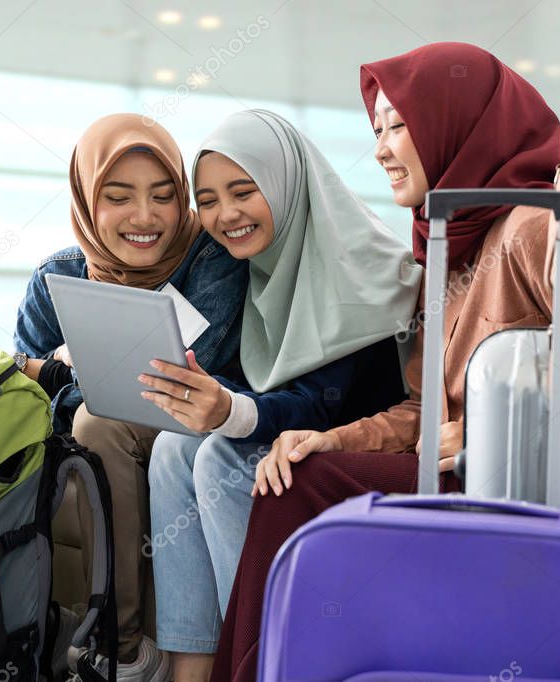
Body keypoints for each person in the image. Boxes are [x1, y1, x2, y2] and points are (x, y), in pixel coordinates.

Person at [208, 42, 560, 682]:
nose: (381, 147)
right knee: (299, 468)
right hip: (459, 472)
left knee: (300, 490)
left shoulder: (534, 229)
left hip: (513, 480)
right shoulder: (446, 247)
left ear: (460, 122)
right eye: (378, 129)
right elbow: (425, 408)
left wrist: (496, 433)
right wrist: (331, 438)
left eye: (400, 124)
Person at [144, 109, 423, 682]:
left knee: (222, 453)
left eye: (244, 191)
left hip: (362, 451)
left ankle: (254, 660)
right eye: (210, 200)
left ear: (286, 184)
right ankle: (193, 668)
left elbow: (323, 403)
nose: (226, 215)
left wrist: (230, 411)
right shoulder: (257, 269)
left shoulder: (360, 268)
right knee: (175, 448)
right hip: (297, 442)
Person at [13, 113, 248, 681]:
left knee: (99, 422)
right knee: (87, 422)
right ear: (87, 201)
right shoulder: (58, 277)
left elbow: (184, 382)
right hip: (118, 432)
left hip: (211, 426)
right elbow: (22, 390)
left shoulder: (210, 259)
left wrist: (66, 370)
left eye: (164, 196)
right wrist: (61, 381)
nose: (145, 218)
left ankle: (123, 649)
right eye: (119, 197)